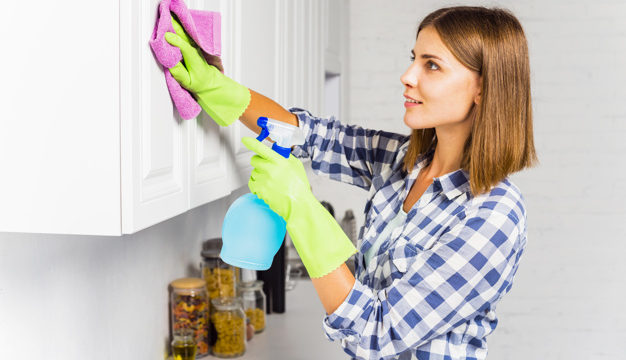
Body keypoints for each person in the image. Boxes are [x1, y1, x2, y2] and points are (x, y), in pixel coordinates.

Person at [164, 5, 537, 359]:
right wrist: (215, 86)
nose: (408, 76)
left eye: (432, 65)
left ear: (483, 89)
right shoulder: (401, 162)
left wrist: (302, 209)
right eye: (414, 58)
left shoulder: (494, 214)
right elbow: (310, 135)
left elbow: (376, 331)